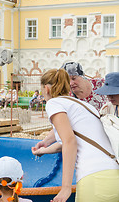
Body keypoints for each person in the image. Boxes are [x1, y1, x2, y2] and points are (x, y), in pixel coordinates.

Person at [32, 69, 119, 202]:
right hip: (114, 175)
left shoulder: (53, 103)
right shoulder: (84, 106)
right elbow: (67, 140)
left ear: (46, 89)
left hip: (94, 180)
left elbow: (69, 141)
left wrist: (65, 187)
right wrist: (44, 147)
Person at [33, 61, 108, 152]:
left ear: (83, 76)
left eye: (74, 78)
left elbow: (67, 142)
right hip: (91, 142)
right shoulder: (67, 97)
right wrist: (45, 142)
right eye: (68, 80)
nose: (71, 83)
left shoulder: (102, 85)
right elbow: (63, 125)